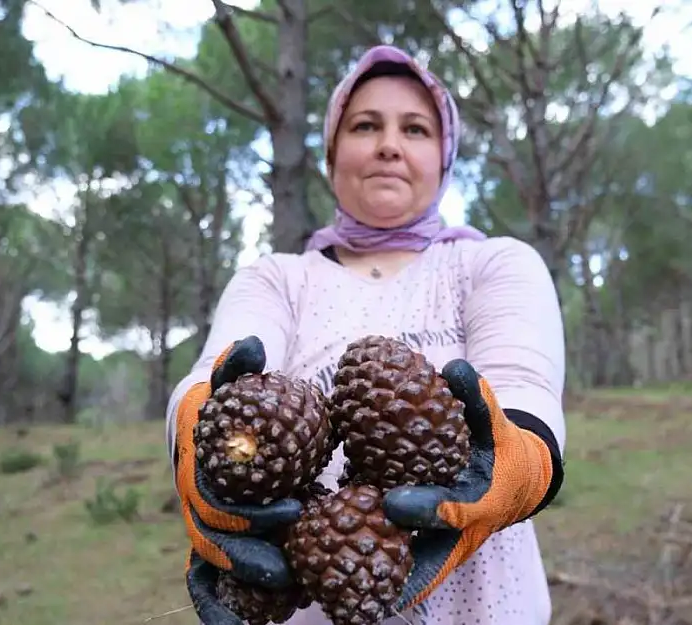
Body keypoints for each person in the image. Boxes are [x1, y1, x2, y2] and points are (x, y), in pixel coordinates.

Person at [164, 44, 567, 625]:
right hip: (313, 592)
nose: (388, 144)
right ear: (331, 156)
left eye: (416, 129)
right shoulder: (278, 278)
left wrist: (520, 465)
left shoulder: (491, 264)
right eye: (364, 125)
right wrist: (196, 439)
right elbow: (210, 376)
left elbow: (526, 385)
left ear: (444, 157)